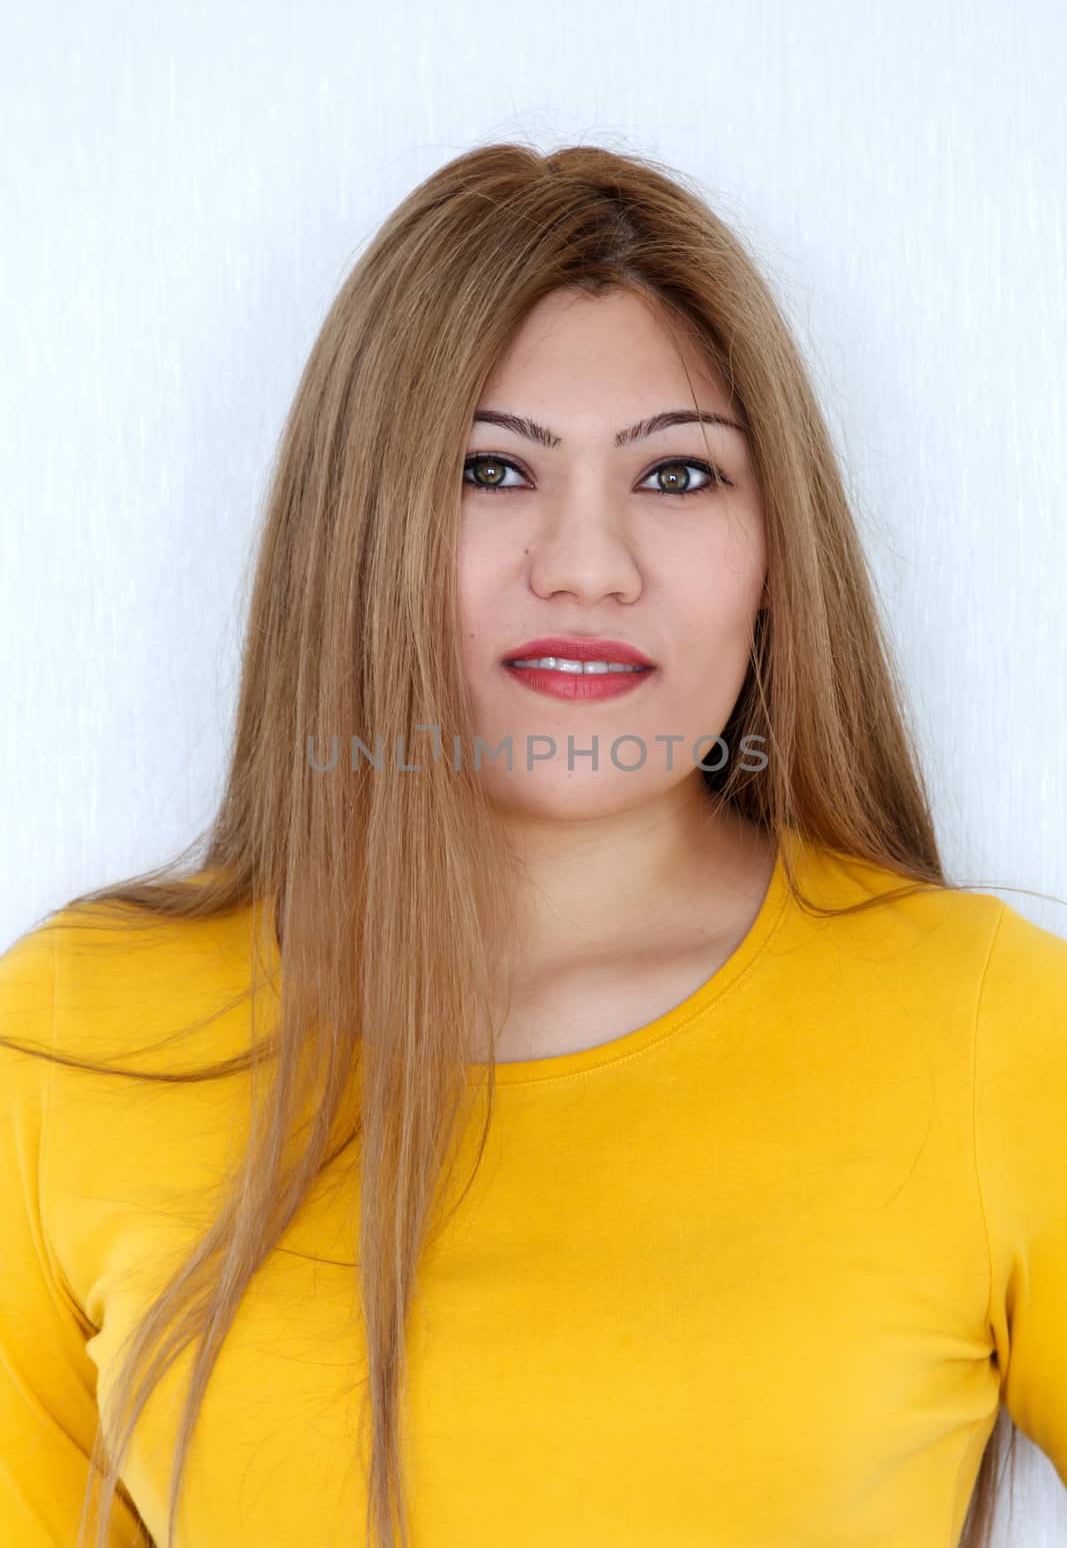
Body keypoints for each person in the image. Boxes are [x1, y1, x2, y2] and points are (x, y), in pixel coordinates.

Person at [1, 141, 1065, 1548]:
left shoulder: (989, 1023)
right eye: (489, 468)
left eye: (678, 475)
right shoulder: (78, 1034)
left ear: (775, 555)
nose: (586, 563)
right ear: (355, 532)